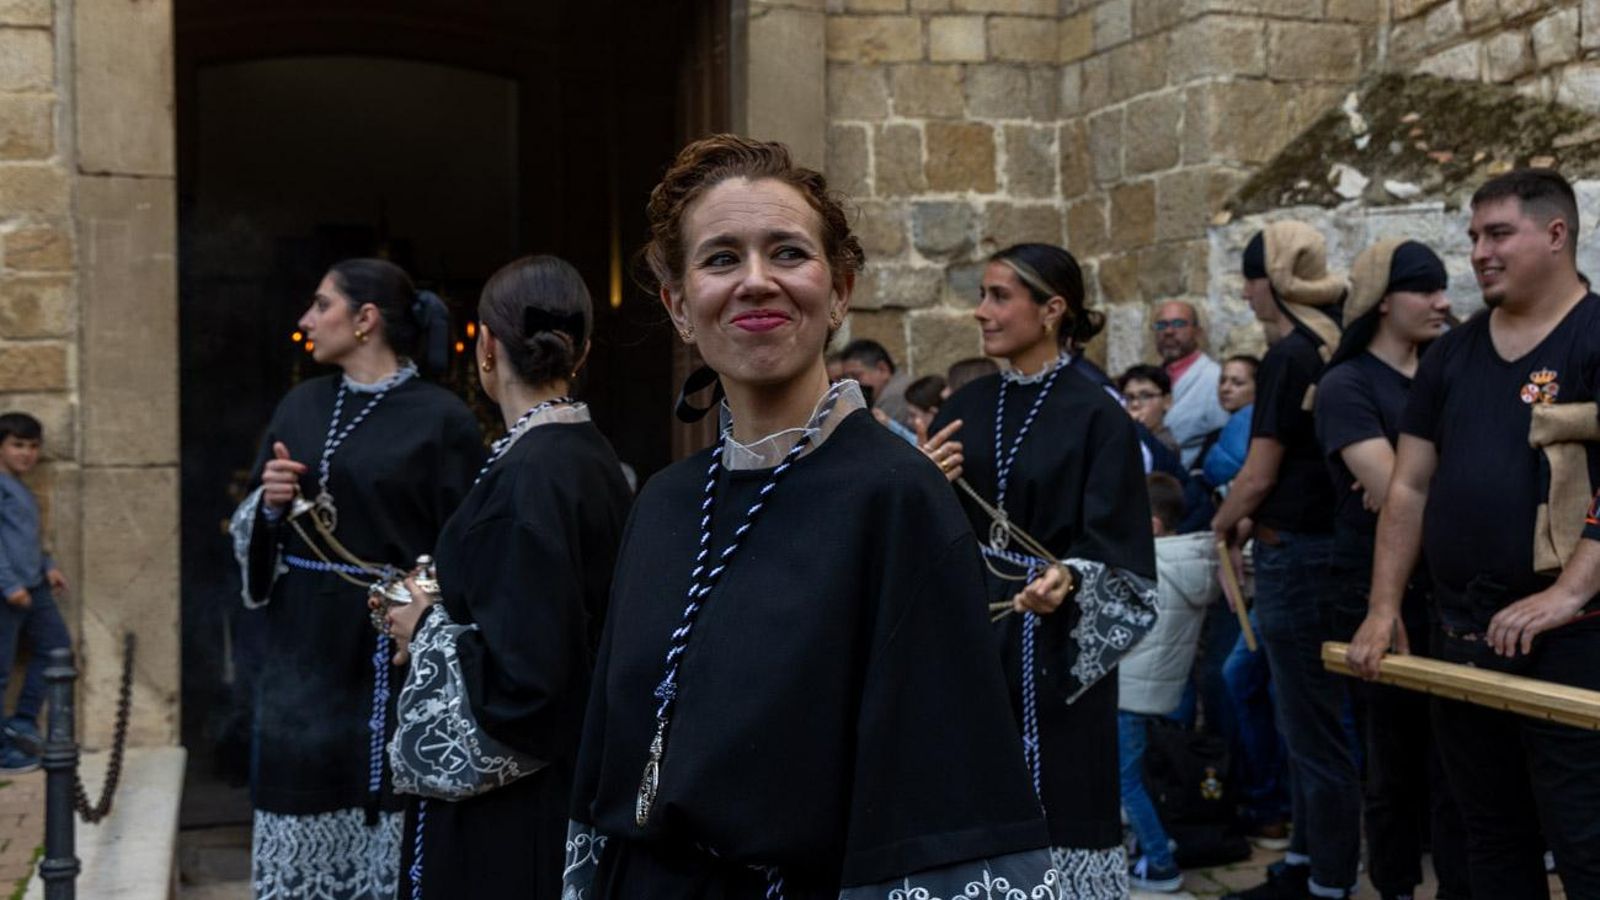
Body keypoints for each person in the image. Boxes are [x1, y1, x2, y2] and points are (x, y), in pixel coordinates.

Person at [564, 134, 1053, 899]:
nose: (756, 282)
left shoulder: (897, 496)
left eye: (787, 253)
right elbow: (608, 760)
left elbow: (940, 788)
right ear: (679, 304)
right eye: (721, 259)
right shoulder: (662, 502)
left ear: (840, 290)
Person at [1350, 169, 1600, 898]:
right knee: (1488, 838)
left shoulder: (1594, 335)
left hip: (1574, 642)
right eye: (1474, 238)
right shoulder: (1453, 356)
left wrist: (1567, 591)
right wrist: (1383, 605)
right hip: (1462, 639)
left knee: (1587, 842)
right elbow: (1409, 487)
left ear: (1556, 235)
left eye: (1498, 234)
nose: (1479, 253)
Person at [375, 256, 633, 899]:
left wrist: (424, 624)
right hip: (568, 780)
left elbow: (531, 683)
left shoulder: (529, 476)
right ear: (584, 350)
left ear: (486, 348)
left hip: (515, 812)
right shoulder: (587, 452)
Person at [229, 259, 482, 900]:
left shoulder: (442, 417)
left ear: (365, 320)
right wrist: (271, 502)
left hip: (390, 651)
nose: (305, 321)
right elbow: (258, 532)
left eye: (321, 305)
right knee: (299, 780)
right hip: (302, 647)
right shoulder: (301, 402)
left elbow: (467, 545)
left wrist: (422, 604)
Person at [929, 242, 1159, 897]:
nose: (981, 312)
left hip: (1058, 652)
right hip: (974, 642)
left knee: (1059, 797)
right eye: (982, 295)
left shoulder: (1100, 417)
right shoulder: (965, 405)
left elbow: (1122, 554)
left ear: (1052, 309)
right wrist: (922, 484)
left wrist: (1071, 578)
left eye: (999, 296)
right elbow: (922, 530)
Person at [1314, 238, 1469, 900]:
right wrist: (1417, 486)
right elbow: (1391, 490)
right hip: (1377, 592)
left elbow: (1408, 489)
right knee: (1395, 761)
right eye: (1425, 289)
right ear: (1383, 301)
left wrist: (1414, 486)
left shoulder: (1447, 369)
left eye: (1442, 287)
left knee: (1458, 762)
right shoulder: (1347, 385)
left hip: (1453, 590)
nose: (1442, 300)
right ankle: (1397, 887)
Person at [1211, 221, 1358, 900]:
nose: (1244, 294)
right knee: (1314, 718)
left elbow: (1260, 472)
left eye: (1248, 279)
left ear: (1268, 281)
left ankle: (1324, 877)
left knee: (1310, 726)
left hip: (1295, 556)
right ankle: (1304, 858)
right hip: (1332, 550)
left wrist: (1222, 522)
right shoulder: (1338, 340)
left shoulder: (1292, 355)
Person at [1119, 472, 1220, 893]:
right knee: (1137, 774)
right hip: (1160, 689)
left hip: (1129, 689)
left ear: (1153, 526)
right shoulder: (1192, 560)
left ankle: (1161, 862)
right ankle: (1155, 839)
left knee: (1125, 781)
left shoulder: (1149, 565)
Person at [0, 412, 71, 774]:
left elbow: (25, 539)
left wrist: (48, 566)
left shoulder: (22, 489)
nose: (26, 454)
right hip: (8, 592)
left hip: (35, 586)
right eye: (17, 445)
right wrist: (9, 585)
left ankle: (22, 722)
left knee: (56, 649)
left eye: (32, 447)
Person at [1153, 300, 1230, 468]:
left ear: (1197, 332)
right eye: (1161, 325)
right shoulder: (1154, 379)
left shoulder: (1213, 379)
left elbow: (1221, 440)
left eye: (1179, 324)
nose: (1169, 331)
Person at [1202, 356, 1259, 493]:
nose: (1225, 388)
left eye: (1237, 383)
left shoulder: (1259, 433)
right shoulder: (1216, 434)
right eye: (1222, 381)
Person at [835, 338, 912, 427]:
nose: (851, 383)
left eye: (856, 375)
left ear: (882, 369)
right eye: (846, 377)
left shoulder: (894, 396)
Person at [1118, 364, 1180, 454]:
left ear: (1167, 401)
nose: (1135, 404)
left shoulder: (1166, 446)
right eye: (1129, 397)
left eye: (1145, 396)